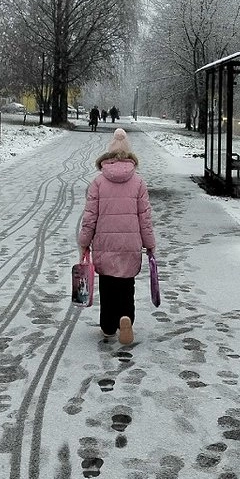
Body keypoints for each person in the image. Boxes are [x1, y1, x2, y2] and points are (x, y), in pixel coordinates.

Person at [77, 128, 156, 344]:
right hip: (130, 245)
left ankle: (108, 326)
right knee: (126, 285)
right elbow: (145, 218)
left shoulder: (98, 182)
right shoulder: (138, 182)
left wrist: (84, 242)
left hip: (105, 243)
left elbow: (90, 217)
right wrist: (149, 244)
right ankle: (126, 318)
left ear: (108, 157)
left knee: (108, 285)